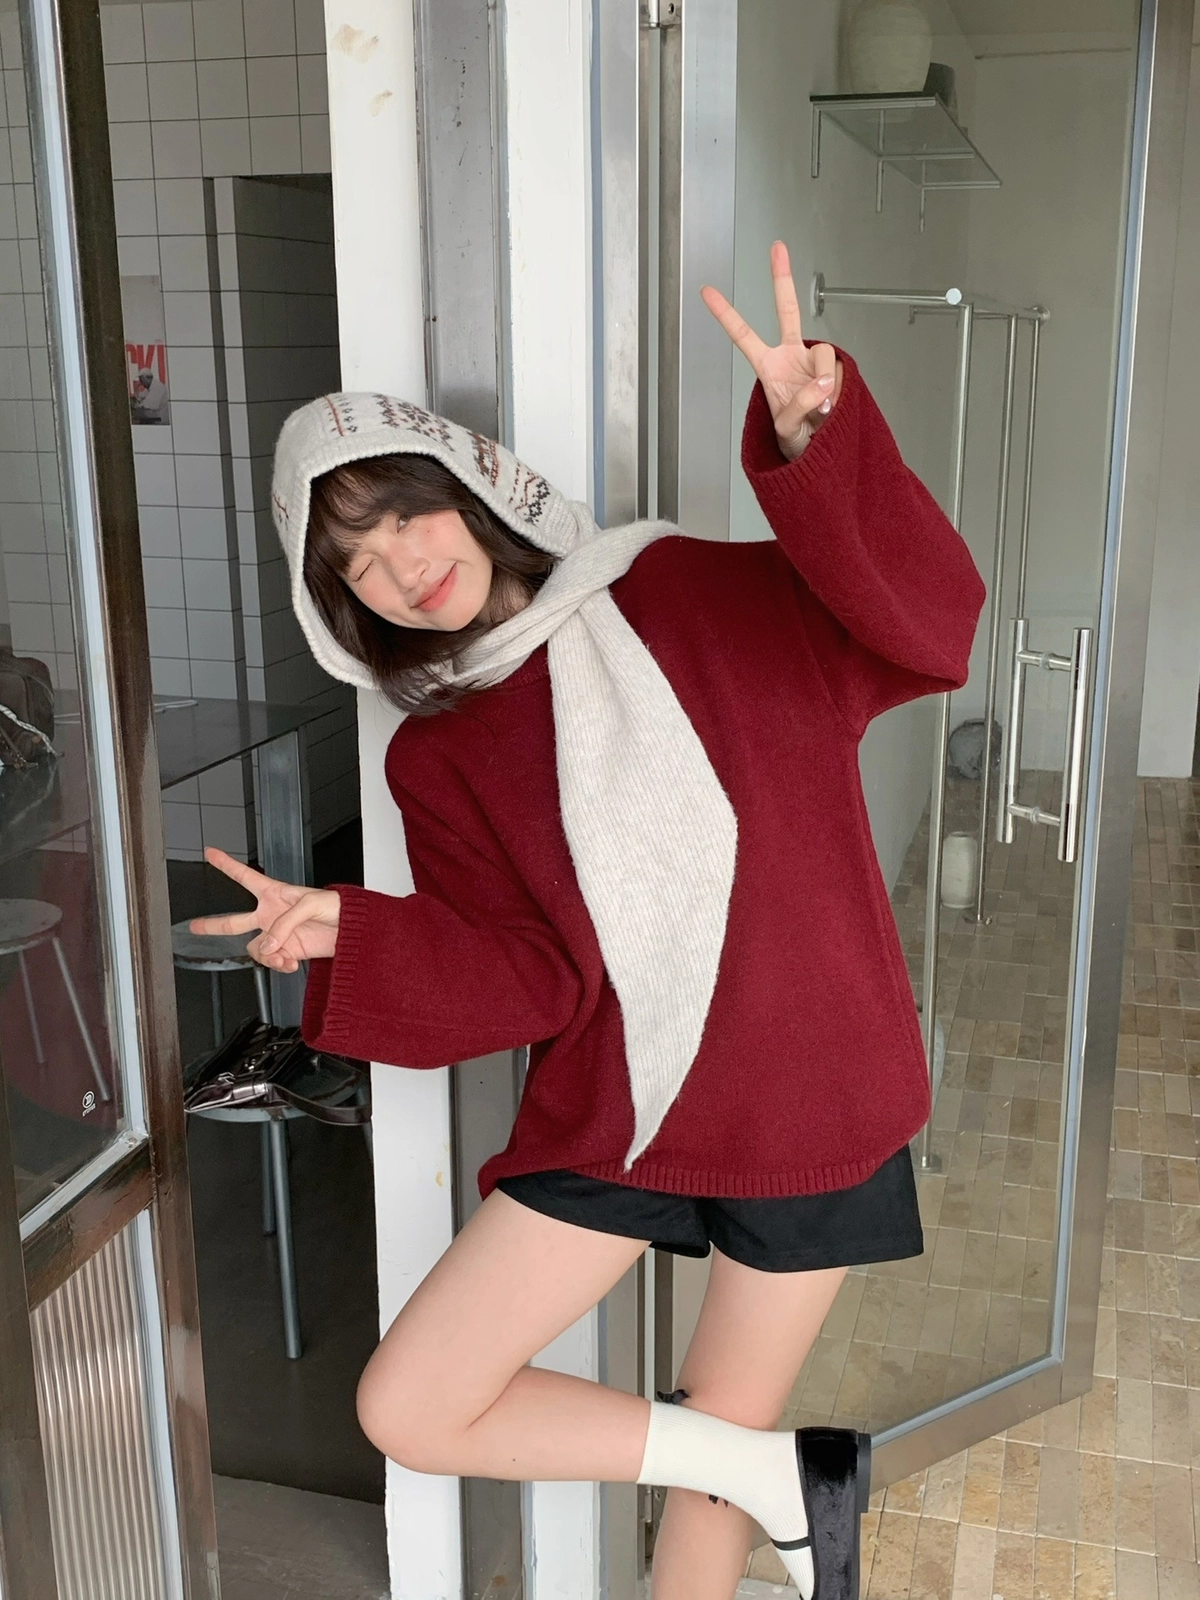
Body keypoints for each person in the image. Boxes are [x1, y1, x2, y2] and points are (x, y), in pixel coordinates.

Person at [192, 242, 985, 1600]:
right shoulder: (436, 754)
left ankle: (767, 1476)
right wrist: (354, 935)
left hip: (805, 1077)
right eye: (356, 566)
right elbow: (530, 978)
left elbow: (934, 631)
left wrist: (821, 445)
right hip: (625, 1103)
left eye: (405, 517)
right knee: (417, 1403)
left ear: (470, 491)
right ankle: (779, 1478)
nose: (400, 568)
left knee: (724, 1449)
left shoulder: (698, 593)